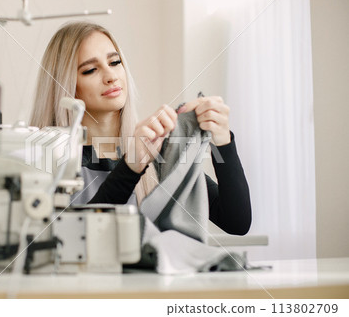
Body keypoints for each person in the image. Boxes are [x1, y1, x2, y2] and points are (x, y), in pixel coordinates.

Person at [30, 21, 251, 236]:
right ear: (66, 86)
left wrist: (223, 140)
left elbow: (236, 222)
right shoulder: (44, 159)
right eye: (90, 70)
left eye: (115, 62)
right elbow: (75, 238)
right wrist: (130, 166)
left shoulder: (156, 150)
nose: (111, 76)